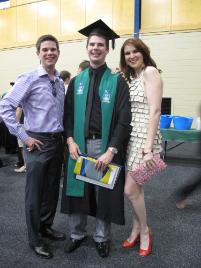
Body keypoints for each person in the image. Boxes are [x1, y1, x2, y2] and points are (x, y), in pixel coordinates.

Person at [61, 19, 131, 258]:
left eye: (100, 44)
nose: (95, 48)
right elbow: (68, 115)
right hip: (79, 145)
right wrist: (70, 140)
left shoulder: (117, 81)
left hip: (105, 147)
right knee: (77, 191)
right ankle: (77, 234)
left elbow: (124, 120)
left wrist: (111, 150)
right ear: (86, 47)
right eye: (92, 44)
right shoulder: (76, 82)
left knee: (104, 195)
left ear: (107, 49)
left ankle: (102, 238)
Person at [0, 34, 66, 259]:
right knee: (34, 194)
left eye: (53, 49)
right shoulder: (28, 78)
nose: (49, 53)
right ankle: (35, 238)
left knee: (50, 191)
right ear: (38, 53)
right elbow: (5, 107)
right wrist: (24, 136)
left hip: (57, 141)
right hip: (37, 142)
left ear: (58, 52)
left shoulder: (58, 80)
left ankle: (45, 226)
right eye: (45, 49)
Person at [120, 38, 163, 256]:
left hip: (146, 141)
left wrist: (148, 149)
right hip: (132, 139)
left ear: (143, 52)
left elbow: (155, 111)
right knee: (137, 189)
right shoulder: (133, 76)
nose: (131, 56)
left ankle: (145, 231)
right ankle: (136, 228)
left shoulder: (150, 72)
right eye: (127, 53)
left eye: (135, 51)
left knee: (130, 189)